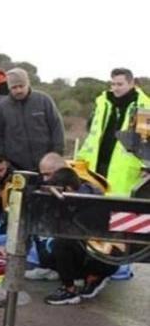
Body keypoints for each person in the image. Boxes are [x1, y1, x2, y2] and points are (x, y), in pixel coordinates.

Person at [26, 152, 110, 281]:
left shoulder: (86, 188)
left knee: (66, 241)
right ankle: (52, 267)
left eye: (48, 174)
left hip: (86, 243)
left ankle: (81, 276)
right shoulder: (47, 185)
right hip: (59, 234)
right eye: (43, 175)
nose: (45, 179)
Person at [43, 168, 120, 305]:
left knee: (61, 243)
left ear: (68, 188)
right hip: (99, 254)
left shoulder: (91, 203)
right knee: (50, 247)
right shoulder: (80, 197)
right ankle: (90, 278)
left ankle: (71, 288)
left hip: (103, 256)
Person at [76, 68, 150, 196]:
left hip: (126, 169)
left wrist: (146, 167)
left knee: (120, 209)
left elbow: (145, 140)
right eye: (113, 84)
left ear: (131, 83)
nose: (115, 88)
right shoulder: (103, 103)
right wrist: (81, 159)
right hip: (96, 166)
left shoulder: (143, 107)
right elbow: (92, 135)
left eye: (120, 84)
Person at [0, 68, 65, 171]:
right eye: (14, 87)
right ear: (9, 88)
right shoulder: (1, 107)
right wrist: (4, 159)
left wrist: (57, 153)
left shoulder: (44, 100)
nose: (19, 90)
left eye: (21, 86)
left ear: (28, 84)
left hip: (46, 166)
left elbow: (56, 127)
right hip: (15, 167)